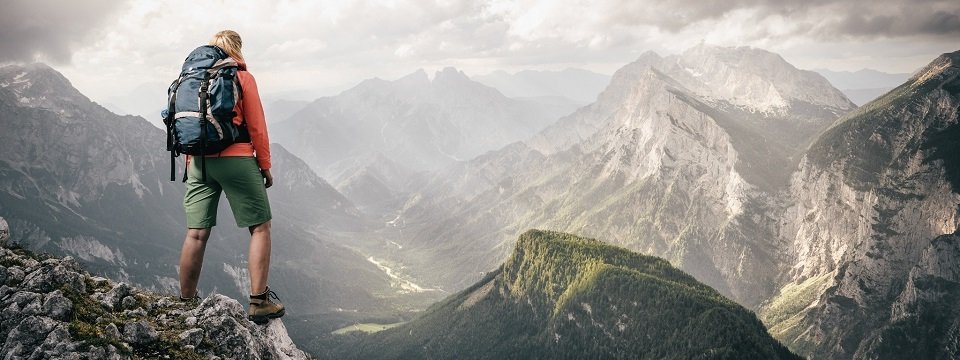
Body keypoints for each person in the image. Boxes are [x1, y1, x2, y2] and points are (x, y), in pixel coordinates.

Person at [176, 30, 284, 324]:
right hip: (235, 158)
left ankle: (185, 301)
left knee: (196, 233)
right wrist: (264, 165)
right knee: (260, 227)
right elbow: (258, 127)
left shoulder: (192, 78)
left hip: (197, 161)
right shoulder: (241, 78)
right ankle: (259, 301)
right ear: (236, 50)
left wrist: (191, 164)